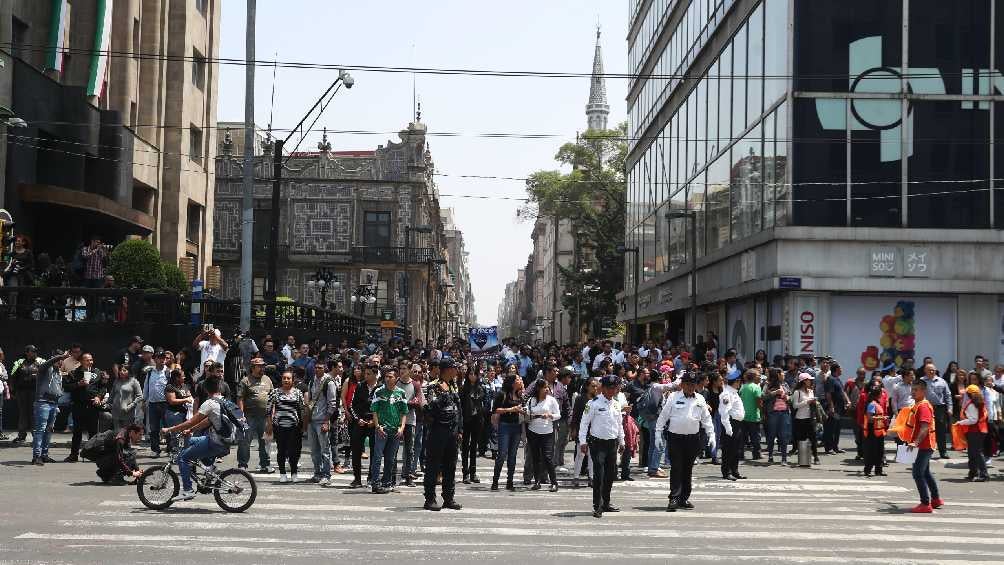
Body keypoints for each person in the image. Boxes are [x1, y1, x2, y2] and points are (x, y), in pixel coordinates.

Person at [161, 378, 232, 501]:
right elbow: (208, 420)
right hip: (224, 440)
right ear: (219, 388)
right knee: (191, 441)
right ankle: (210, 468)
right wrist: (191, 431)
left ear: (205, 389)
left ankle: (188, 490)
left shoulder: (209, 403)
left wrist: (170, 429)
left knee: (183, 458)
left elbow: (190, 421)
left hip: (216, 442)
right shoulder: (223, 400)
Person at [657, 373, 716, 512]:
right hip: (675, 437)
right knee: (676, 467)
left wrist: (711, 435)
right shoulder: (673, 397)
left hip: (692, 438)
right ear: (682, 384)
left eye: (693, 384)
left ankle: (684, 498)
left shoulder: (700, 399)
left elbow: (706, 419)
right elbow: (663, 416)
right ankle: (674, 498)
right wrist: (657, 433)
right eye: (688, 384)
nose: (690, 387)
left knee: (687, 469)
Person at [578, 374, 625, 519]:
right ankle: (597, 505)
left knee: (610, 475)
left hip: (612, 443)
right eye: (609, 388)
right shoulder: (593, 403)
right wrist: (582, 441)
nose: (612, 390)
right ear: (602, 388)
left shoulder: (616, 404)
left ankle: (606, 502)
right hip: (597, 443)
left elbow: (619, 425)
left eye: (615, 388)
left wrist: (622, 441)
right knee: (599, 474)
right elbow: (584, 423)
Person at [422, 359, 463, 511]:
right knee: (433, 465)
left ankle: (448, 498)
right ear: (447, 369)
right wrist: (442, 396)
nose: (456, 371)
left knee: (450, 466)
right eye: (454, 368)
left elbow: (458, 408)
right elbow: (429, 408)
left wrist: (460, 429)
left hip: (452, 431)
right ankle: (430, 498)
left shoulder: (453, 385)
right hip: (438, 430)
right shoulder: (433, 386)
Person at [902, 380, 943, 513]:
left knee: (917, 474)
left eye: (916, 390)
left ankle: (925, 504)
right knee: (925, 472)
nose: (913, 392)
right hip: (925, 445)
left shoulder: (923, 407)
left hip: (923, 446)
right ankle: (936, 499)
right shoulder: (918, 405)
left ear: (923, 391)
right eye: (912, 389)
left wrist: (916, 443)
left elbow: (925, 427)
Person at [370, 367, 408, 494]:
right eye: (386, 376)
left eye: (390, 376)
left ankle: (386, 483)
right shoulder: (379, 391)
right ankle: (375, 483)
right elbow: (374, 410)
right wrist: (377, 426)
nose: (388, 378)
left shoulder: (401, 393)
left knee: (390, 459)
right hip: (382, 429)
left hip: (395, 430)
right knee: (377, 457)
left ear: (396, 378)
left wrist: (402, 427)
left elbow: (404, 412)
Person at [31, 350, 72, 465]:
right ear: (54, 358)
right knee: (40, 430)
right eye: (59, 360)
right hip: (43, 402)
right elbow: (48, 363)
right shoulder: (44, 369)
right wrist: (61, 356)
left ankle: (44, 455)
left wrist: (58, 401)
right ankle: (36, 456)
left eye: (62, 361)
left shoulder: (58, 372)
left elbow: (58, 388)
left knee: (49, 430)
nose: (60, 363)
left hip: (53, 404)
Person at [266, 371, 306, 483]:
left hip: (294, 427)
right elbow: (268, 410)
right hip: (280, 427)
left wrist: (304, 425)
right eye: (284, 378)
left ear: (293, 380)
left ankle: (294, 473)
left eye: (288, 378)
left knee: (294, 451)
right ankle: (282, 473)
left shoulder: (298, 393)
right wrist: (269, 424)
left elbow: (302, 410)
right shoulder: (275, 392)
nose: (286, 380)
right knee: (281, 450)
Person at [236, 357, 274, 474]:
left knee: (265, 441)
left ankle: (265, 464)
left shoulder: (267, 379)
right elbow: (240, 398)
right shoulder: (245, 381)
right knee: (244, 441)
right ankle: (242, 465)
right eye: (260, 366)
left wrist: (272, 416)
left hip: (265, 416)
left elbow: (272, 398)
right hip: (249, 416)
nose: (262, 368)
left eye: (263, 366)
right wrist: (241, 415)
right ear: (253, 367)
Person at [491, 370, 525, 491]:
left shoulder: (520, 395)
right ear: (511, 382)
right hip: (505, 426)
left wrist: (520, 410)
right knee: (502, 454)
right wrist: (511, 409)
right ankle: (495, 481)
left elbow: (523, 407)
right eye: (517, 380)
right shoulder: (502, 394)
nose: (519, 381)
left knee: (513, 456)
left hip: (517, 427)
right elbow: (496, 410)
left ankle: (509, 481)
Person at [307, 360, 338, 486]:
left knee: (325, 449)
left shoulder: (329, 382)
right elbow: (310, 400)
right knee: (314, 450)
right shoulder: (311, 381)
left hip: (322, 420)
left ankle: (326, 475)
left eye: (320, 367)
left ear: (324, 368)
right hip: (312, 420)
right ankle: (317, 473)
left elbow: (332, 404)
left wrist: (326, 421)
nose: (317, 369)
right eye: (316, 367)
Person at [63, 353, 100, 462]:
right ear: (82, 361)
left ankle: (94, 455)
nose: (90, 362)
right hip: (78, 406)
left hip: (92, 406)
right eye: (88, 360)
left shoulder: (97, 372)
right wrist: (78, 384)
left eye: (91, 360)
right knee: (77, 432)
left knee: (93, 432)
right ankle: (74, 455)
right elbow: (66, 387)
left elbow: (102, 387)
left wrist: (99, 397)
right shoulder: (74, 373)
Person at [526, 380, 561, 492]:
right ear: (538, 389)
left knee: (547, 457)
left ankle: (554, 482)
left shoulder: (552, 400)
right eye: (544, 387)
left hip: (547, 432)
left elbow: (558, 415)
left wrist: (550, 415)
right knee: (535, 457)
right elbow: (527, 411)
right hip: (533, 431)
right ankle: (537, 481)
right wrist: (527, 413)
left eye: (547, 387)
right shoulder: (532, 400)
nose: (547, 389)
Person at [348, 364, 378, 489]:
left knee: (375, 451)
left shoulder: (381, 388)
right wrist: (358, 419)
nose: (365, 376)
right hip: (360, 421)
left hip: (374, 423)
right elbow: (352, 406)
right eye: (365, 373)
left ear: (375, 375)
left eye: (368, 374)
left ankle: (371, 478)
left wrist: (375, 421)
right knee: (356, 449)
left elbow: (382, 408)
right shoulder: (360, 386)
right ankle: (357, 479)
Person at [10, 345, 43, 444]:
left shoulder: (40, 362)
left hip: (35, 392)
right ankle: (21, 435)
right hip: (22, 392)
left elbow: (45, 375)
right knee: (23, 413)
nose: (35, 353)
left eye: (35, 351)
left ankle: (35, 436)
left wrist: (36, 376)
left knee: (34, 413)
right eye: (33, 351)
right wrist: (13, 390)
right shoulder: (19, 362)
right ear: (27, 352)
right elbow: (13, 376)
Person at [956, 384, 989, 482]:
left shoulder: (971, 404)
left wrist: (960, 422)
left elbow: (973, 420)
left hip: (974, 431)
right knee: (973, 453)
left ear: (968, 394)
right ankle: (973, 473)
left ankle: (983, 475)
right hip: (980, 430)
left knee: (976, 453)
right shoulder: (980, 402)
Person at [460, 367, 486, 484]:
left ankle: (473, 472)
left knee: (474, 446)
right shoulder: (463, 388)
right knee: (465, 446)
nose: (473, 376)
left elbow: (482, 403)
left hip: (477, 419)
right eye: (470, 374)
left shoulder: (480, 388)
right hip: (466, 420)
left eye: (475, 374)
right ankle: (465, 473)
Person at [143, 350, 171, 457]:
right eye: (159, 358)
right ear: (155, 359)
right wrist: (144, 400)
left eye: (163, 358)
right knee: (153, 428)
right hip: (152, 404)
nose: (162, 360)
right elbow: (146, 387)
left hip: (166, 404)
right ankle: (155, 450)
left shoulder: (168, 372)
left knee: (167, 427)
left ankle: (170, 448)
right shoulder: (150, 372)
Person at [719, 369, 746, 481]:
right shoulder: (726, 394)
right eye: (739, 382)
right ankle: (727, 472)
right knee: (728, 449)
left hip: (737, 424)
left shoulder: (734, 392)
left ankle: (734, 471)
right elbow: (724, 412)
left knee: (736, 449)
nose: (740, 384)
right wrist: (728, 428)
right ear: (736, 382)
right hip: (730, 424)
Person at [921, 363, 952, 459]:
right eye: (929, 370)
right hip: (925, 407)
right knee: (925, 430)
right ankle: (925, 451)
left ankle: (943, 452)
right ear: (925, 371)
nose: (931, 371)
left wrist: (950, 408)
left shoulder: (942, 381)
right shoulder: (921, 381)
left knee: (940, 431)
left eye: (933, 370)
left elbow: (948, 395)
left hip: (939, 408)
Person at [763, 368, 791, 464]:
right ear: (777, 374)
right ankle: (770, 455)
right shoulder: (767, 384)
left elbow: (789, 396)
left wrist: (787, 397)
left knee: (784, 435)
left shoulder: (785, 384)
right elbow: (763, 396)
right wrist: (775, 393)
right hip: (773, 413)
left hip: (784, 412)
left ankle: (784, 458)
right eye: (782, 373)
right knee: (771, 435)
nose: (784, 374)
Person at [792, 372, 820, 465]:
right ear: (804, 381)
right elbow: (795, 406)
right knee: (802, 438)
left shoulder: (811, 391)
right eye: (809, 380)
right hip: (800, 419)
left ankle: (816, 457)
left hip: (811, 418)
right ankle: (803, 458)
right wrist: (807, 402)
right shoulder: (797, 392)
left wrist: (814, 402)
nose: (810, 381)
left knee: (813, 438)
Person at [862, 385, 887, 477]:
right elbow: (870, 418)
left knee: (880, 451)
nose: (883, 394)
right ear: (879, 394)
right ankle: (868, 470)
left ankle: (878, 470)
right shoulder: (872, 404)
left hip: (879, 432)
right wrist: (882, 417)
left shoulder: (877, 403)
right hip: (872, 431)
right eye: (882, 392)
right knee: (872, 451)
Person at [737, 369, 763, 460]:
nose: (759, 377)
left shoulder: (742, 387)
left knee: (742, 437)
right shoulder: (756, 387)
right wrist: (763, 413)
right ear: (754, 377)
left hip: (743, 416)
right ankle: (756, 454)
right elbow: (759, 402)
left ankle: (740, 454)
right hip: (754, 416)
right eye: (758, 375)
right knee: (755, 437)